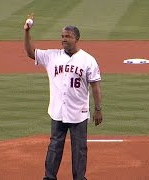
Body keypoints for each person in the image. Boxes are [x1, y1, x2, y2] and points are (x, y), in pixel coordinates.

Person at [23, 14, 103, 180]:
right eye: (62, 36)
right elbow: (31, 53)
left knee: (79, 149)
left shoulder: (88, 60)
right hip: (58, 111)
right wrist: (27, 32)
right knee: (54, 146)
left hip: (78, 113)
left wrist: (98, 109)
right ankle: (49, 177)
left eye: (68, 36)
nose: (64, 39)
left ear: (77, 38)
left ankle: (79, 178)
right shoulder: (52, 56)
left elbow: (95, 86)